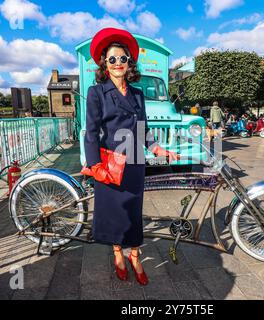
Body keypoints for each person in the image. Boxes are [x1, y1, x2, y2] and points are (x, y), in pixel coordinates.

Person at [84, 27, 179, 286]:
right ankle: (117, 254)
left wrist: (159, 149)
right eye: (112, 59)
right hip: (108, 164)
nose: (117, 63)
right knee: (115, 213)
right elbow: (91, 132)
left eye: (122, 58)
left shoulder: (137, 94)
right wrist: (94, 165)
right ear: (105, 63)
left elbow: (143, 131)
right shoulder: (97, 92)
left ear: (129, 63)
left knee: (133, 214)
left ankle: (135, 256)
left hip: (135, 161)